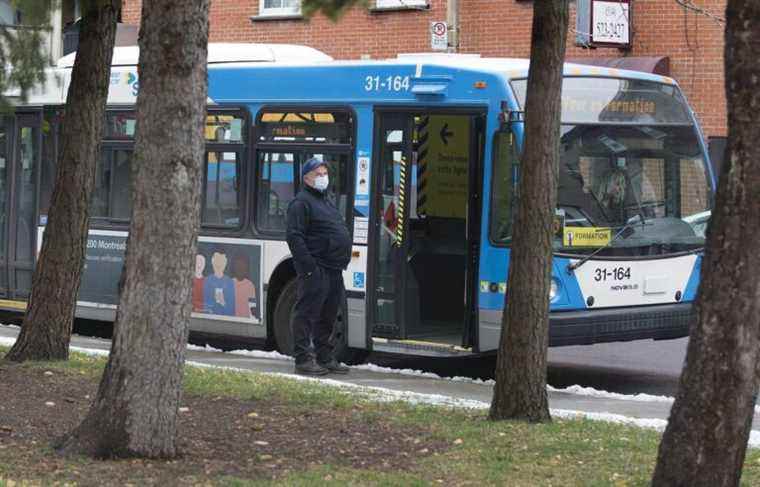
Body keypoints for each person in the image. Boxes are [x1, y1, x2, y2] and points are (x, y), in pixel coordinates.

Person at [286, 157, 352, 376]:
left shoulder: (326, 201)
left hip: (334, 268)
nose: (323, 177)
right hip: (317, 268)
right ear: (307, 178)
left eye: (325, 173)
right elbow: (295, 237)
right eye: (318, 174)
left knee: (328, 314)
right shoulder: (301, 203)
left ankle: (325, 357)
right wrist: (310, 267)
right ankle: (303, 360)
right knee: (306, 313)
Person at [203, 250, 236, 316]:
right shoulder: (206, 281)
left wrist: (223, 302)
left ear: (225, 263)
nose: (219, 264)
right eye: (217, 260)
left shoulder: (230, 283)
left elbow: (232, 310)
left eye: (221, 261)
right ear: (212, 261)